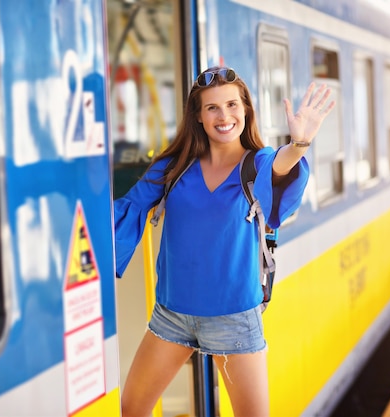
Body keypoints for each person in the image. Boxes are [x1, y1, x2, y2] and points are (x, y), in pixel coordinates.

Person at [114, 66, 335, 417]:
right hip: (172, 313)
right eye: (212, 108)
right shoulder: (173, 168)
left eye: (232, 105)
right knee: (133, 408)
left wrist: (299, 144)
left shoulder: (256, 163)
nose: (224, 116)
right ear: (198, 117)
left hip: (234, 319)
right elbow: (125, 211)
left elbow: (279, 168)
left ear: (246, 109)